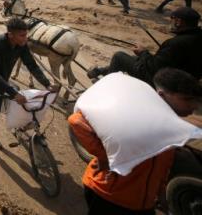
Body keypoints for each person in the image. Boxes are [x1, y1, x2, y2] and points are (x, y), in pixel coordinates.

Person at [69, 68, 202, 215]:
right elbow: (75, 120)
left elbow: (164, 166)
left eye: (196, 100)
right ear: (162, 96)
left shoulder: (172, 128)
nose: (194, 106)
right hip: (107, 195)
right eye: (188, 99)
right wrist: (106, 156)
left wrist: (161, 195)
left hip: (143, 204)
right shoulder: (134, 116)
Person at [0, 17, 55, 149]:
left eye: (26, 35)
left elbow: (31, 65)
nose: (25, 38)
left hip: (2, 79)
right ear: (11, 34)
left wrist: (47, 84)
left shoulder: (21, 45)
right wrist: (14, 94)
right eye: (22, 35)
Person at [87, 7, 202, 84]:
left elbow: (154, 69)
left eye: (172, 20)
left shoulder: (176, 43)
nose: (170, 23)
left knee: (119, 56)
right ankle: (101, 70)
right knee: (133, 59)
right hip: (185, 79)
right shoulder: (196, 38)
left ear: (179, 22)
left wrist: (143, 52)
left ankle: (106, 86)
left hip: (163, 81)